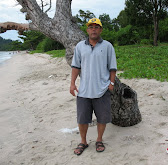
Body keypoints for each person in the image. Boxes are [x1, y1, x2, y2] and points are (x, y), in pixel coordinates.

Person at [70, 18, 117, 156]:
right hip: (84, 90)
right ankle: (83, 141)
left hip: (102, 89)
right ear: (87, 30)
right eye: (91, 27)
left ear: (101, 30)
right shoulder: (79, 46)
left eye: (97, 27)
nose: (94, 29)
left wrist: (111, 83)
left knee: (102, 118)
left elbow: (112, 67)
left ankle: (99, 140)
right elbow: (75, 66)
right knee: (82, 118)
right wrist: (72, 83)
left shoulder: (108, 46)